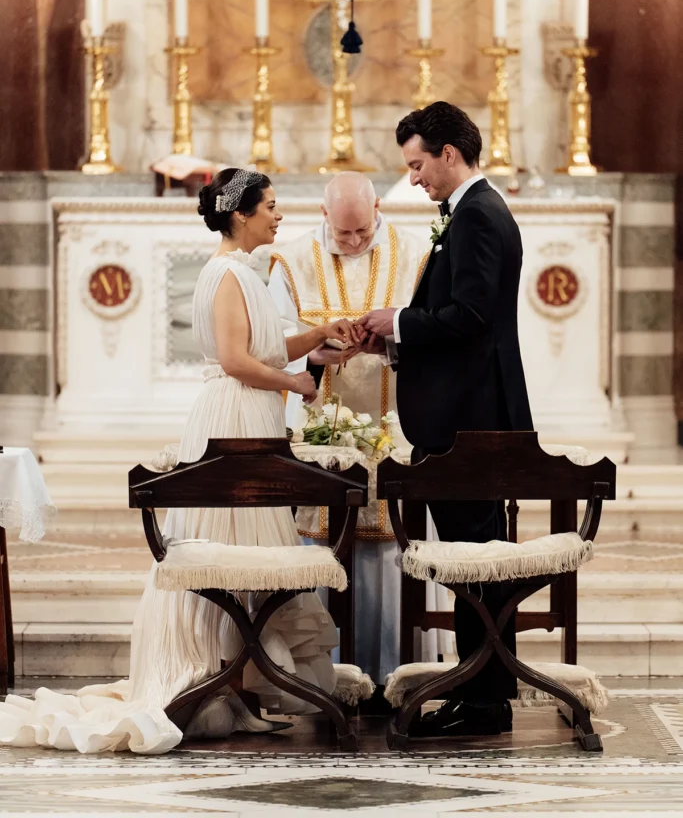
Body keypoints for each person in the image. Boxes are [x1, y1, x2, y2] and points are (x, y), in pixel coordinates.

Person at [0, 168, 361, 754]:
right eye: (270, 205)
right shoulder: (224, 273)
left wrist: (319, 335)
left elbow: (261, 347)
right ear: (240, 213)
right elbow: (236, 361)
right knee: (230, 547)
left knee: (250, 550)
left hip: (254, 415)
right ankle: (213, 685)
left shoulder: (245, 271)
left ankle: (241, 689)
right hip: (234, 417)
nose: (279, 214)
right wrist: (296, 383)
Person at [361, 102, 534, 738]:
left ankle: (484, 699)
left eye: (417, 164)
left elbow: (472, 316)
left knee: (475, 561)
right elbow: (462, 323)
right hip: (467, 413)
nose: (413, 179)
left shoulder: (478, 217)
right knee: (471, 559)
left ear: (449, 154)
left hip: (472, 421)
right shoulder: (468, 213)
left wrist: (399, 320)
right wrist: (395, 339)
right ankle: (480, 690)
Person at [268, 171, 430, 684]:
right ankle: (319, 679)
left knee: (387, 548)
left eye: (364, 230)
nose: (356, 241)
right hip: (319, 418)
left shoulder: (416, 253)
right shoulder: (290, 262)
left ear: (378, 207)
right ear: (324, 216)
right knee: (319, 545)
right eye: (344, 234)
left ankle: (388, 674)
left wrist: (388, 343)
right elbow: (272, 342)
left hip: (395, 419)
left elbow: (432, 330)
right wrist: (316, 351)